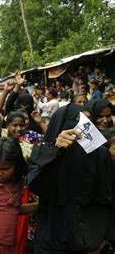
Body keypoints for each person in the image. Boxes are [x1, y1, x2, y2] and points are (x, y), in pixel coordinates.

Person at [28, 104, 114, 253]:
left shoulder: (101, 155)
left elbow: (110, 196)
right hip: (53, 239)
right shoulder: (44, 152)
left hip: (91, 241)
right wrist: (55, 152)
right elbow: (37, 185)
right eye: (76, 119)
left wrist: (105, 238)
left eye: (88, 120)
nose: (82, 125)